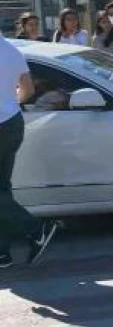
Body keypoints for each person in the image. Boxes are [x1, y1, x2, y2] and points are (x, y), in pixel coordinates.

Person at [0, 33, 61, 267]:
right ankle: (2, 253)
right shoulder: (12, 50)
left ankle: (37, 229)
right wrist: (7, 102)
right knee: (2, 189)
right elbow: (27, 89)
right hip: (12, 123)